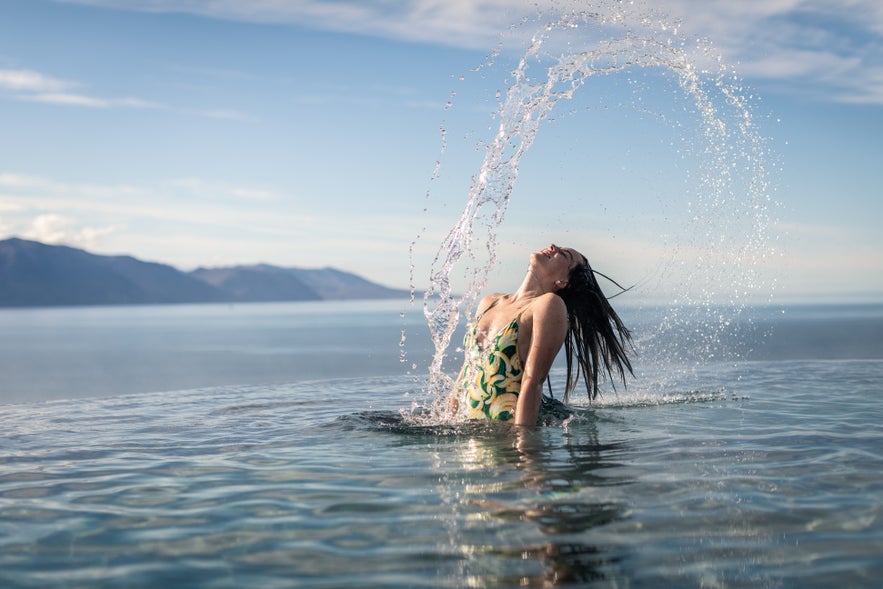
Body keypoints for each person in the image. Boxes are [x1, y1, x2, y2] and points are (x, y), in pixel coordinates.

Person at [454, 244, 633, 426]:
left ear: (562, 281)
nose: (553, 246)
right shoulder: (489, 301)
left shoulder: (547, 305)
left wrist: (523, 443)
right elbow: (465, 374)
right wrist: (448, 423)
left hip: (508, 435)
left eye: (563, 254)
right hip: (473, 441)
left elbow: (533, 381)